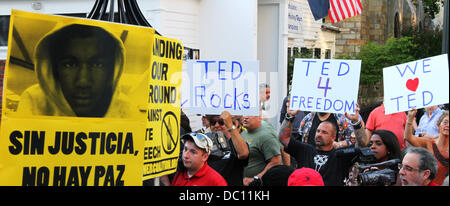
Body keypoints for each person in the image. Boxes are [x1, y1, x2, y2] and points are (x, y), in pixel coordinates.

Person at [17, 24, 139, 118]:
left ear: (112, 71)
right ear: (54, 70)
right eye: (69, 64)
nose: (83, 82)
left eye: (98, 64)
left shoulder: (126, 110)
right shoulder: (34, 101)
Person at [279, 102, 368, 186]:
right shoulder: (305, 150)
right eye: (318, 131)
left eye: (324, 132)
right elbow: (284, 138)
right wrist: (289, 117)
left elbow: (362, 145)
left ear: (333, 137)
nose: (319, 134)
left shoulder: (341, 155)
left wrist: (356, 123)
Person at [204, 111, 249, 186]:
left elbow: (243, 154)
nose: (217, 125)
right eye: (213, 122)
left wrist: (231, 126)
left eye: (221, 122)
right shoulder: (205, 145)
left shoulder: (237, 144)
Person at [404, 109, 448, 185]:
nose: (448, 125)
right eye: (445, 122)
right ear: (438, 125)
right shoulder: (428, 143)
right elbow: (409, 137)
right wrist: (410, 120)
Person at [241, 114, 281, 186]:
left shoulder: (266, 136)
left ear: (259, 117)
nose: (245, 117)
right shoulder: (243, 134)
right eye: (244, 113)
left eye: (250, 114)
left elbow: (275, 162)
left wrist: (255, 179)